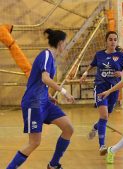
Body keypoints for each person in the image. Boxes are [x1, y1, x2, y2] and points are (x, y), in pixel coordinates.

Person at [6, 29, 75, 169]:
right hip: (34, 103)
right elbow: (45, 78)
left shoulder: (51, 58)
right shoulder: (46, 55)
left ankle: (53, 165)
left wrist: (48, 95)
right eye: (65, 43)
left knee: (68, 128)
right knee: (34, 142)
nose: (65, 46)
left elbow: (37, 80)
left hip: (44, 101)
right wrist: (63, 91)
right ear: (60, 43)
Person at [80, 31, 123, 155]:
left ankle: (95, 127)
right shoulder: (99, 54)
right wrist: (85, 73)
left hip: (114, 90)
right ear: (106, 41)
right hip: (100, 87)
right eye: (110, 39)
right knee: (104, 116)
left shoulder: (120, 55)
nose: (113, 42)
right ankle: (102, 145)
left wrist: (122, 73)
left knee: (105, 116)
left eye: (115, 39)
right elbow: (92, 64)